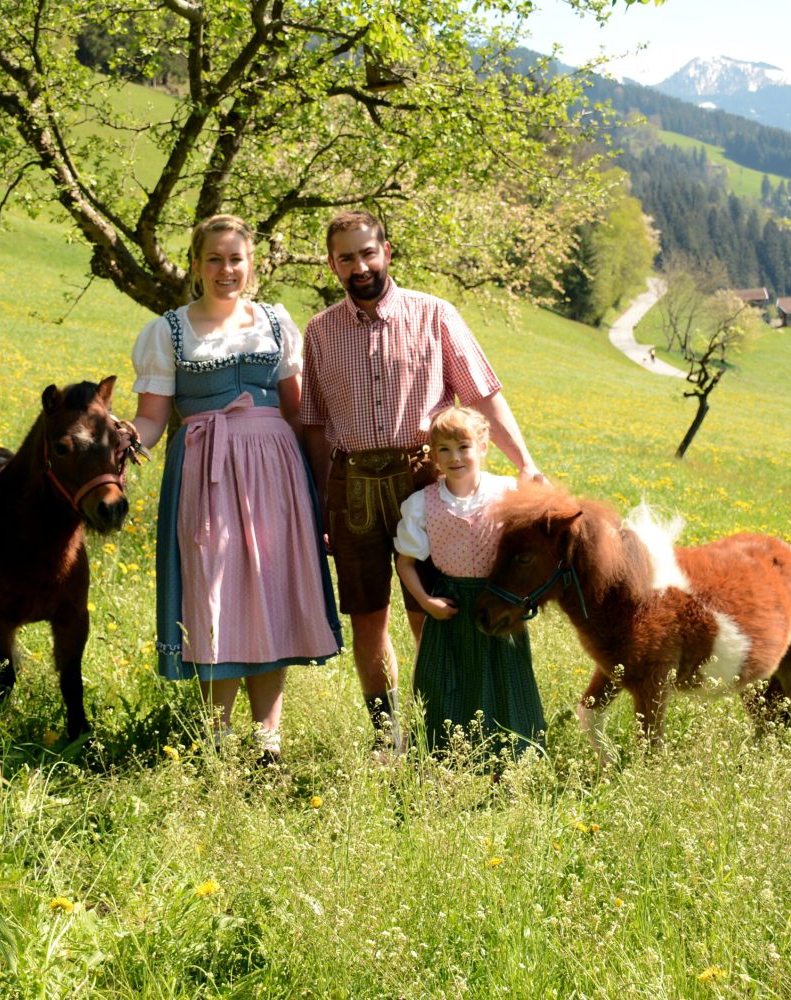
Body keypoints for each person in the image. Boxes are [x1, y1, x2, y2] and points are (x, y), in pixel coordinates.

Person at [301, 210, 544, 754]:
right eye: (346, 257)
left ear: (386, 250)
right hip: (353, 485)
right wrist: (319, 503)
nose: (359, 266)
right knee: (369, 618)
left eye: (367, 252)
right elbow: (314, 427)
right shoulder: (318, 332)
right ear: (332, 263)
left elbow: (480, 393)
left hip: (426, 476)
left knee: (433, 612)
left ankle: (445, 729)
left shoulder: (435, 315)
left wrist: (524, 462)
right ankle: (389, 739)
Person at [124, 214, 342, 766]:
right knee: (214, 594)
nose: (226, 270)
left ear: (252, 265)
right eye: (214, 259)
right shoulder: (168, 331)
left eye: (236, 259)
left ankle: (268, 742)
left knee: (271, 593)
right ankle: (216, 744)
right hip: (206, 472)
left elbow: (295, 412)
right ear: (196, 265)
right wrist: (127, 439)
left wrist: (316, 490)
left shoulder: (274, 321)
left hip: (277, 473)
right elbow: (152, 418)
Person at [395, 407, 545, 758]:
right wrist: (426, 602)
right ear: (434, 456)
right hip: (451, 604)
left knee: (504, 678)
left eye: (463, 446)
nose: (455, 457)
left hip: (498, 603)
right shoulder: (422, 504)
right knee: (447, 680)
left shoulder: (507, 492)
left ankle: (511, 760)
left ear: (483, 447)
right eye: (443, 449)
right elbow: (405, 564)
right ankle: (443, 760)